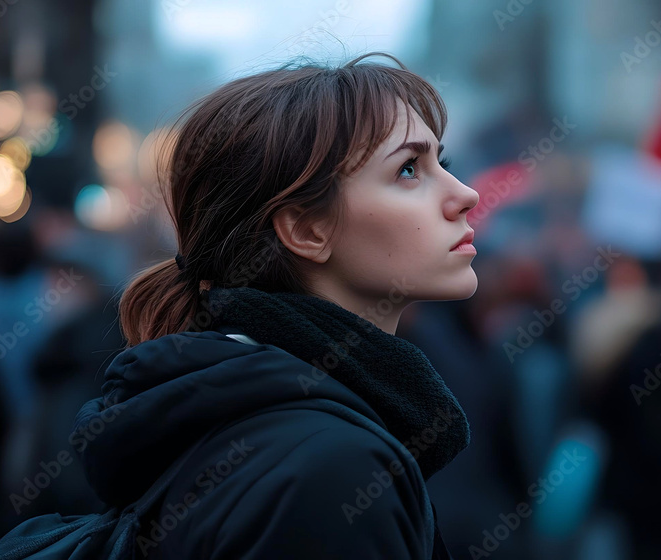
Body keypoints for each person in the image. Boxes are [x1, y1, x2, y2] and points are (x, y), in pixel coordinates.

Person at [73, 52, 480, 559]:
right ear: (307, 230)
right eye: (407, 170)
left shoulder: (262, 424)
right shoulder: (332, 472)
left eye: (443, 163)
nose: (465, 194)